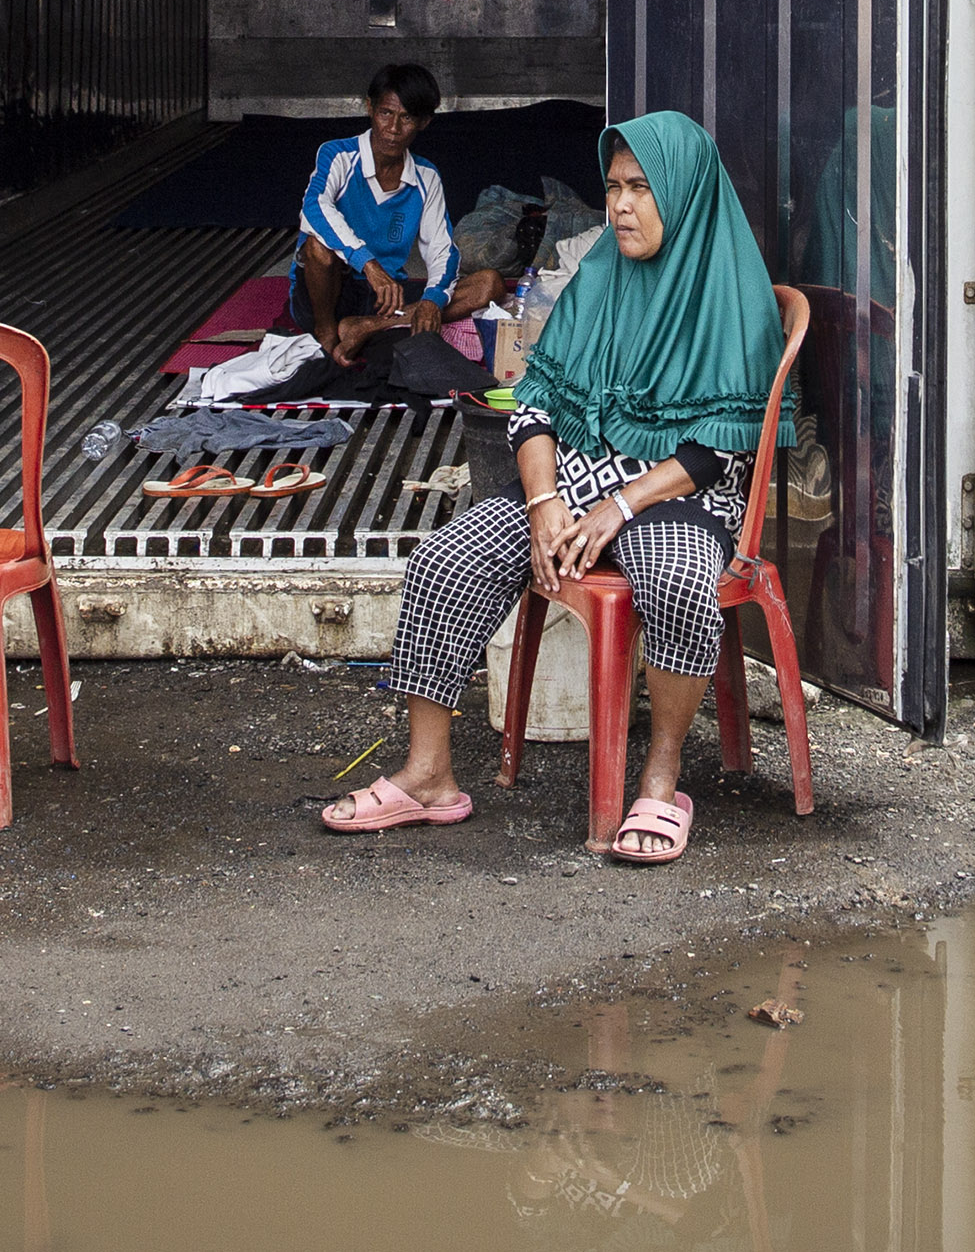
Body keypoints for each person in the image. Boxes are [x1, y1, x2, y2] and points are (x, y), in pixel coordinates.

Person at [322, 111, 781, 863]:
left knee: (674, 578)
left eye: (641, 188)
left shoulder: (731, 290)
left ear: (686, 193)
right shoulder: (599, 275)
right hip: (572, 489)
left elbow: (716, 448)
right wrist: (543, 505)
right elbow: (534, 403)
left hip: (676, 498)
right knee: (446, 558)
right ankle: (429, 773)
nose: (622, 204)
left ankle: (661, 779)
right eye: (613, 187)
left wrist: (620, 504)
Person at [291, 62, 509, 362]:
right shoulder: (338, 154)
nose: (393, 129)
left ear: (424, 122)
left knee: (490, 283)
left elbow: (441, 250)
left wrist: (432, 300)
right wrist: (368, 264)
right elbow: (314, 208)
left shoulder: (426, 176)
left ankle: (368, 327)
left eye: (406, 117)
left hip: (385, 301)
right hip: (328, 295)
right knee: (317, 246)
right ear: (370, 108)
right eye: (386, 113)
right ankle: (327, 332)